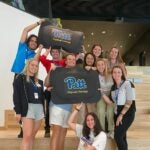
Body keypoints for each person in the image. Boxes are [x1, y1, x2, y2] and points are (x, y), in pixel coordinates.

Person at [11, 19, 45, 138]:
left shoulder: (33, 56)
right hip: (18, 77)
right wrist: (39, 23)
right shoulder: (22, 46)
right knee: (18, 98)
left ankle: (23, 129)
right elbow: (25, 30)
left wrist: (40, 49)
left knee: (26, 102)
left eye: (36, 42)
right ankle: (22, 126)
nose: (33, 42)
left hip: (28, 79)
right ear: (28, 41)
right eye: (32, 40)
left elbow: (36, 60)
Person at [44, 54, 76, 150]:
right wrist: (50, 71)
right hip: (57, 106)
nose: (71, 61)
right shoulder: (57, 70)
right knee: (56, 133)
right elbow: (46, 84)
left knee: (63, 134)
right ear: (65, 61)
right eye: (69, 59)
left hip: (68, 107)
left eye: (73, 59)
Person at [13, 58, 45, 150]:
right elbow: (16, 95)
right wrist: (18, 111)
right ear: (28, 65)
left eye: (36, 66)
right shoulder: (20, 78)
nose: (34, 67)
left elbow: (41, 96)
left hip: (39, 109)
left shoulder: (39, 82)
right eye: (32, 65)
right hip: (28, 108)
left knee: (32, 136)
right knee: (27, 136)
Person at [35, 46, 66, 137]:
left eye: (57, 52)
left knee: (61, 110)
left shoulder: (63, 62)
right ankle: (47, 129)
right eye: (53, 52)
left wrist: (63, 51)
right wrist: (47, 50)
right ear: (51, 53)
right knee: (48, 110)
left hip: (60, 91)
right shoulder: (48, 62)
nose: (55, 53)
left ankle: (59, 128)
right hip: (50, 90)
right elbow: (41, 58)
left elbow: (72, 60)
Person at [110, 65, 136, 150]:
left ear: (122, 73)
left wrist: (121, 115)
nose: (116, 74)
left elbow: (129, 101)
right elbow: (112, 101)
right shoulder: (113, 87)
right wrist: (102, 94)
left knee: (117, 136)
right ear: (112, 74)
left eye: (118, 72)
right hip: (117, 113)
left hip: (127, 113)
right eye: (114, 72)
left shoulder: (128, 83)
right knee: (122, 137)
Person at [96, 58, 114, 138]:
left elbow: (115, 86)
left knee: (110, 111)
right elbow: (96, 88)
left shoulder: (111, 75)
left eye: (102, 64)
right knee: (101, 111)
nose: (101, 66)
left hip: (111, 96)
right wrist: (104, 96)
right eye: (98, 65)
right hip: (100, 96)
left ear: (105, 65)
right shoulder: (95, 76)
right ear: (96, 66)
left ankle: (111, 130)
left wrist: (110, 98)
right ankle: (101, 131)